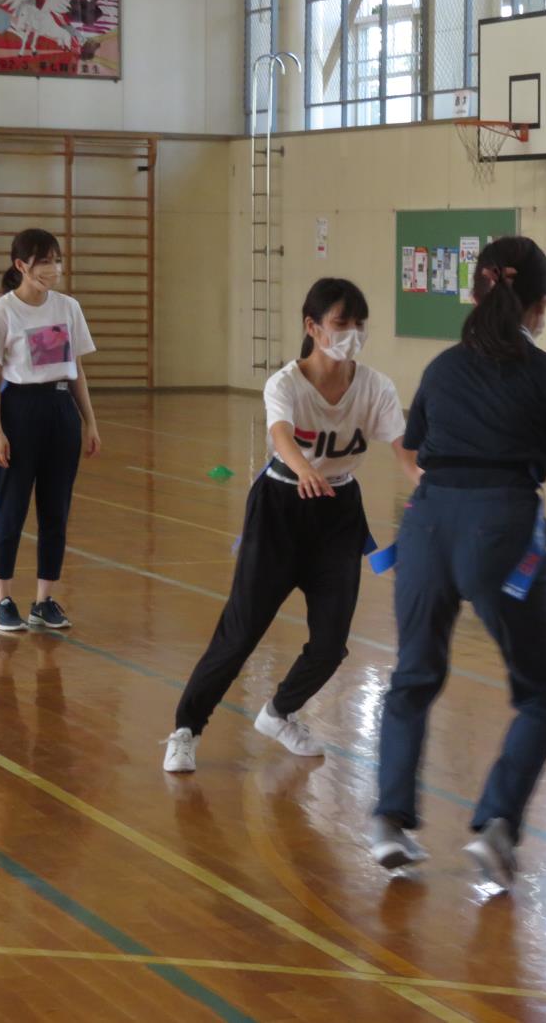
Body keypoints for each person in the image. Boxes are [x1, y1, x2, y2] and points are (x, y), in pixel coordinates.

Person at [367, 236, 546, 889]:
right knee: (541, 694)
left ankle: (388, 821)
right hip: (501, 528)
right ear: (540, 305)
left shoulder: (442, 368)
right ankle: (496, 825)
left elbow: (412, 452)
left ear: (475, 294)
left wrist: (445, 493)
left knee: (413, 676)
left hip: (426, 525)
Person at [162, 278, 417, 773]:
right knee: (241, 632)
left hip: (338, 513)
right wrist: (303, 469)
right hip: (281, 507)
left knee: (330, 644)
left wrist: (432, 481)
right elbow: (280, 435)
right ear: (312, 327)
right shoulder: (284, 383)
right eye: (341, 323)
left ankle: (279, 713)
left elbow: (405, 454)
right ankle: (186, 729)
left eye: (359, 324)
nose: (352, 333)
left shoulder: (376, 387)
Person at [0, 228, 100, 633]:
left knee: (56, 511)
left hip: (60, 410)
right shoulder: (2, 311)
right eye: (45, 261)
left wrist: (89, 421)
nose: (54, 269)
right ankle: (2, 600)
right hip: (19, 410)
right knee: (12, 508)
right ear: (22, 265)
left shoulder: (68, 307)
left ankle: (43, 600)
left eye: (57, 260)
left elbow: (77, 371)